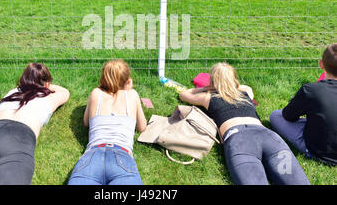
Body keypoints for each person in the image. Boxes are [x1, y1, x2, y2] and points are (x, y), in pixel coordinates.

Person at [179, 62, 310, 185]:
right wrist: (230, 85)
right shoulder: (245, 93)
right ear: (235, 79)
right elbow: (245, 87)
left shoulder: (208, 97)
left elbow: (184, 94)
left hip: (240, 141)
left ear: (212, 82)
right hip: (268, 137)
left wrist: (207, 88)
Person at [68, 59, 147, 185]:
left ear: (103, 78)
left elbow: (86, 123)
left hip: (92, 154)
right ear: (128, 81)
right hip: (122, 155)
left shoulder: (96, 93)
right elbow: (142, 127)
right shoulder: (132, 95)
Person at [270, 44, 337, 166]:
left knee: (276, 115)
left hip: (318, 151)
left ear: (321, 63)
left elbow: (288, 116)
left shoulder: (311, 90)